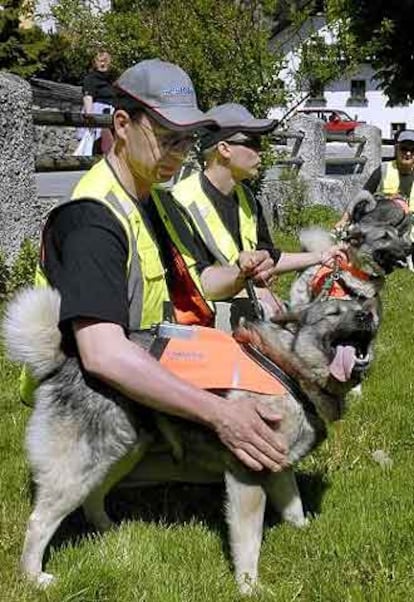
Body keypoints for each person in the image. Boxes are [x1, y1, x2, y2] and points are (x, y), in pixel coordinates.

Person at [29, 59, 288, 474]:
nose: (179, 155)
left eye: (186, 142)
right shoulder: (92, 218)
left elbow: (201, 284)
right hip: (89, 406)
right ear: (122, 125)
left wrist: (239, 273)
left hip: (152, 363)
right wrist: (218, 415)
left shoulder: (159, 198)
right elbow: (101, 354)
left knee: (268, 394)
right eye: (167, 139)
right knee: (239, 455)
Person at [171, 102, 345, 317]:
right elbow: (195, 284)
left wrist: (321, 256)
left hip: (244, 303)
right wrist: (247, 279)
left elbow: (270, 256)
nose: (262, 151)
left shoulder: (247, 198)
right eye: (253, 143)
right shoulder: (181, 201)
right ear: (224, 149)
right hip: (201, 318)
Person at [336, 129, 414, 229]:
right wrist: (344, 219)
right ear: (396, 148)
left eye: (412, 150)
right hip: (381, 223)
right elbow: (364, 194)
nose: (408, 153)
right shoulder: (384, 169)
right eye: (404, 148)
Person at [76, 49, 116, 156]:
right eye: (100, 61)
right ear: (95, 62)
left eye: (105, 60)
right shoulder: (91, 78)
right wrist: (89, 115)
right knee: (96, 144)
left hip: (111, 113)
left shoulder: (112, 79)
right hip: (98, 111)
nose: (103, 63)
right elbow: (88, 96)